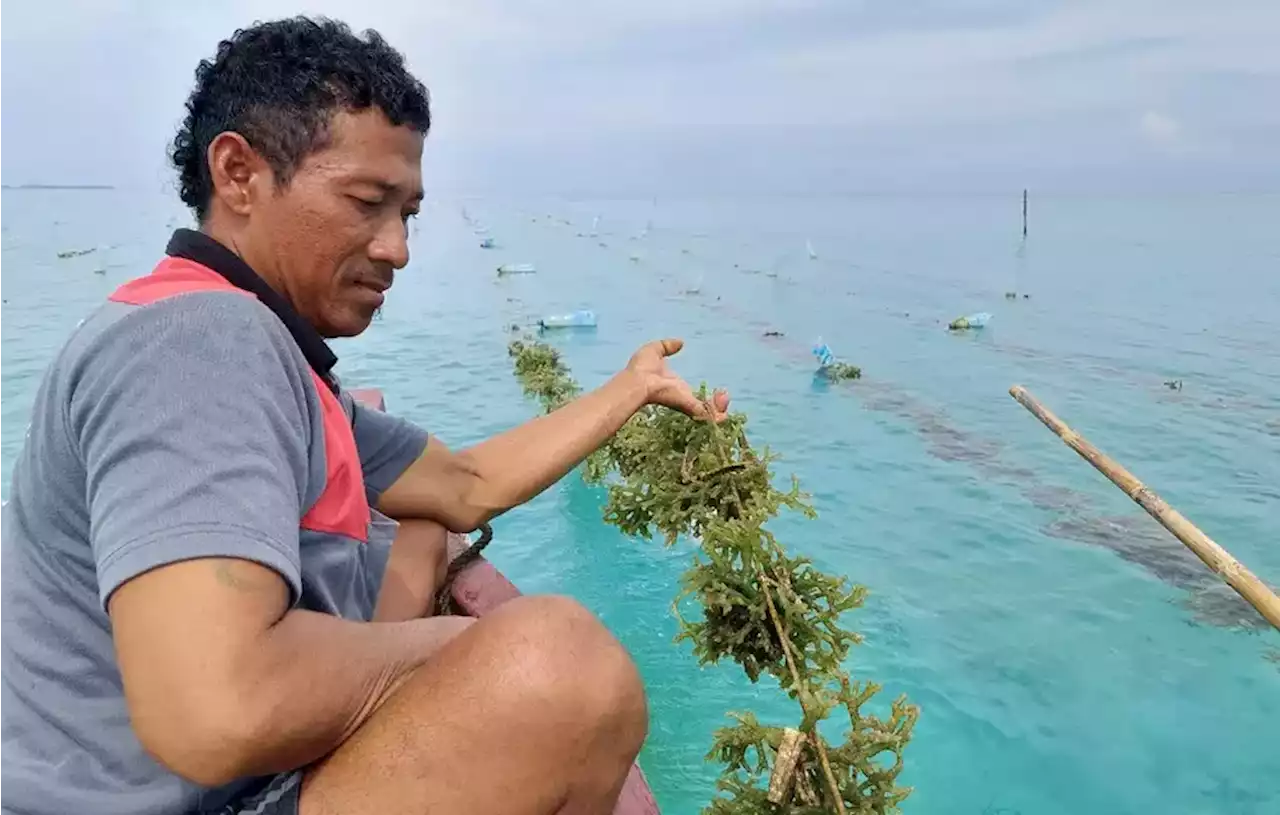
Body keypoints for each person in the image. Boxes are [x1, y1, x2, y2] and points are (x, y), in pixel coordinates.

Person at [0, 17, 729, 815]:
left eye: (408, 212)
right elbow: (213, 709)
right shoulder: (198, 341)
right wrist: (458, 649)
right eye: (365, 202)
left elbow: (466, 483)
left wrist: (630, 388)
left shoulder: (276, 364)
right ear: (239, 173)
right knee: (563, 666)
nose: (398, 247)